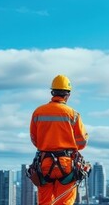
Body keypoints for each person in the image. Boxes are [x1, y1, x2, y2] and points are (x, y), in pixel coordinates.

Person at [29, 75, 89, 205]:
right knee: (65, 202)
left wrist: (48, 144)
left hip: (45, 163)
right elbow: (82, 142)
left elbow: (35, 140)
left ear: (52, 92)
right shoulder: (73, 114)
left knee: (44, 202)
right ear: (68, 95)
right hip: (66, 164)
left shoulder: (38, 112)